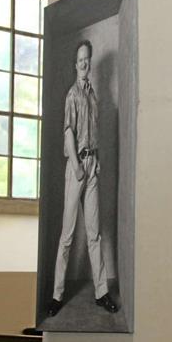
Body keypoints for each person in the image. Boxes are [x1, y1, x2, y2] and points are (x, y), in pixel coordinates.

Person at [48, 40, 117, 317]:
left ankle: (102, 292)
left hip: (92, 167)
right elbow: (68, 132)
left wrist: (96, 161)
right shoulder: (72, 95)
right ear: (75, 65)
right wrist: (77, 166)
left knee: (94, 234)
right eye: (80, 60)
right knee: (67, 236)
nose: (85, 63)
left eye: (87, 58)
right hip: (76, 168)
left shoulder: (93, 96)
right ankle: (56, 295)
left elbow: (93, 133)